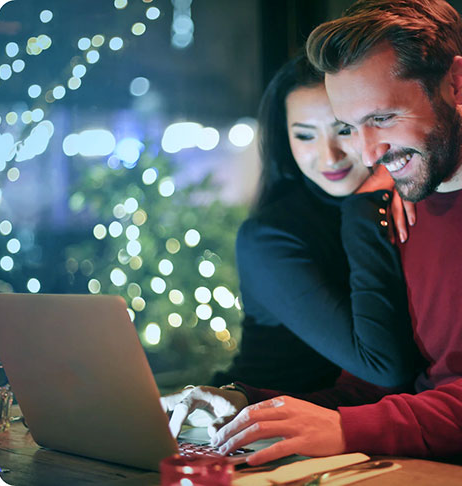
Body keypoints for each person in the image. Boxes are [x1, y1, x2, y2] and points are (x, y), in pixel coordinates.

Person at [165, 0, 462, 471]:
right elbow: (375, 390)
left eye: (384, 118)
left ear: (457, 83)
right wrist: (249, 405)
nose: (367, 152)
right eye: (352, 126)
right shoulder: (402, 203)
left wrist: (352, 428)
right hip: (413, 465)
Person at [162, 55, 424, 431]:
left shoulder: (404, 201)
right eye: (304, 135)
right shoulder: (271, 237)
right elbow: (385, 367)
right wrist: (367, 204)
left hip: (339, 429)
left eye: (343, 130)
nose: (329, 155)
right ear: (285, 140)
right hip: (250, 426)